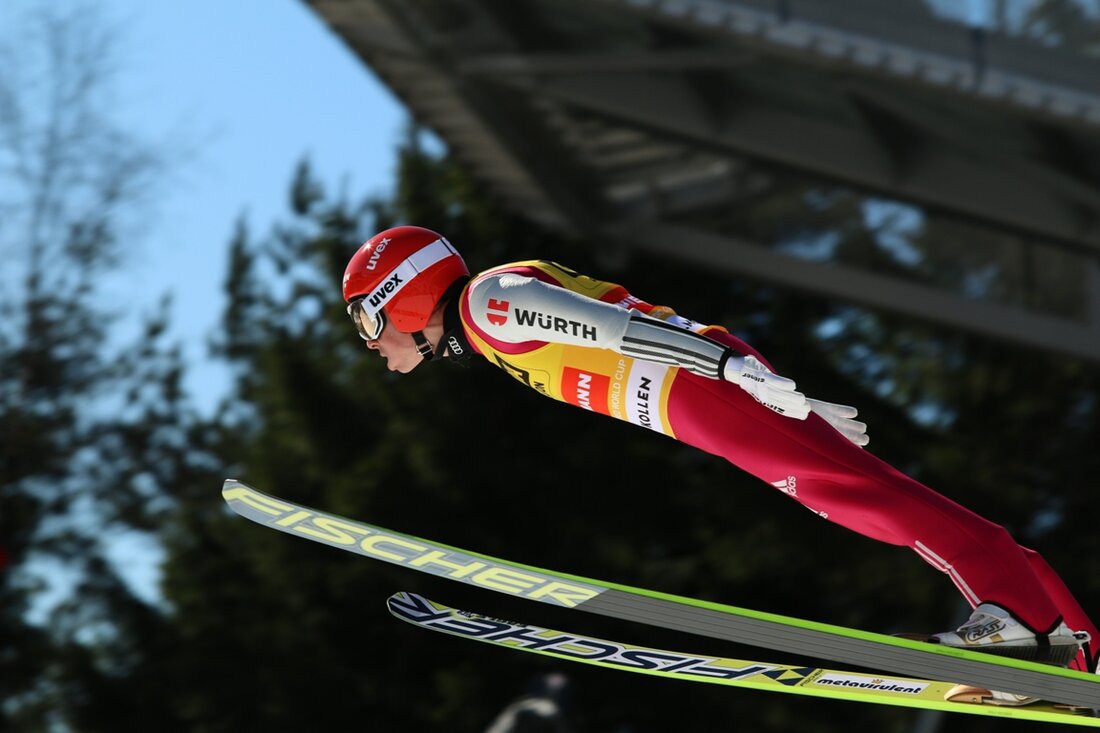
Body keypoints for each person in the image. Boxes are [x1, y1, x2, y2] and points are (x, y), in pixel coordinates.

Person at [342, 224, 1097, 703]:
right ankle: (1073, 642)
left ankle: (1016, 625)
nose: (373, 343)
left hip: (697, 387)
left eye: (368, 319)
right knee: (872, 495)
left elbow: (619, 329)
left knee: (869, 503)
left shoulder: (488, 305)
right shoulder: (485, 320)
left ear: (402, 297)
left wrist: (728, 372)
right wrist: (745, 374)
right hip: (699, 392)